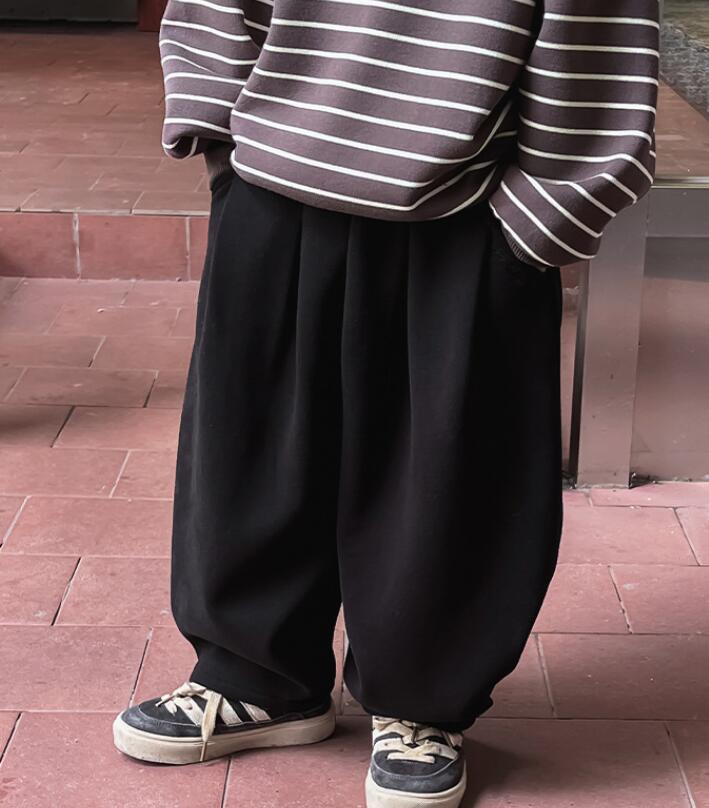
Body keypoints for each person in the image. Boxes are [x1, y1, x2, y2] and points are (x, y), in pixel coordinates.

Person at [113, 1, 659, 805]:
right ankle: (258, 678)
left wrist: (539, 219)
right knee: (248, 452)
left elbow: (598, 35)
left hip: (467, 211)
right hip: (272, 181)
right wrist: (223, 143)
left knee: (445, 479)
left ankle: (420, 703)